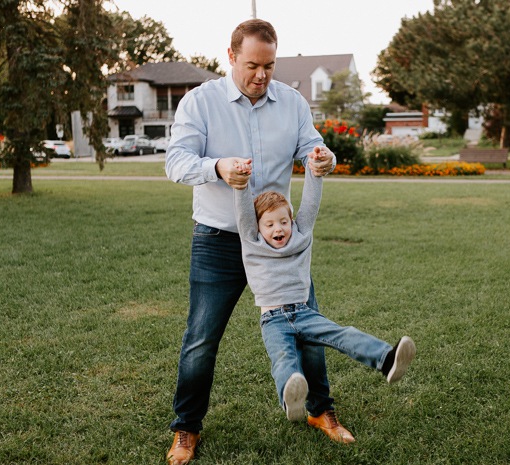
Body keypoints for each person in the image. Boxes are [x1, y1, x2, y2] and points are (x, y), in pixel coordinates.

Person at [164, 19, 339, 465]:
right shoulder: (200, 103)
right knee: (201, 338)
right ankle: (186, 428)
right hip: (218, 239)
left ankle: (321, 411)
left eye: (269, 66)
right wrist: (218, 167)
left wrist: (323, 158)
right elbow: (176, 162)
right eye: (252, 65)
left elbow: (312, 147)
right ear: (231, 57)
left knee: (309, 327)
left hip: (279, 244)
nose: (261, 75)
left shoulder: (293, 103)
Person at [232, 153, 416, 441]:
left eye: (283, 221)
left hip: (304, 312)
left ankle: (388, 359)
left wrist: (315, 173)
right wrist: (241, 185)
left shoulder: (301, 235)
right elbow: (243, 213)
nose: (278, 228)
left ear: (292, 221)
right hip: (273, 319)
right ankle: (290, 397)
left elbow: (310, 204)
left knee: (342, 334)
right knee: (284, 359)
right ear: (258, 227)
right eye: (269, 224)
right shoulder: (252, 241)